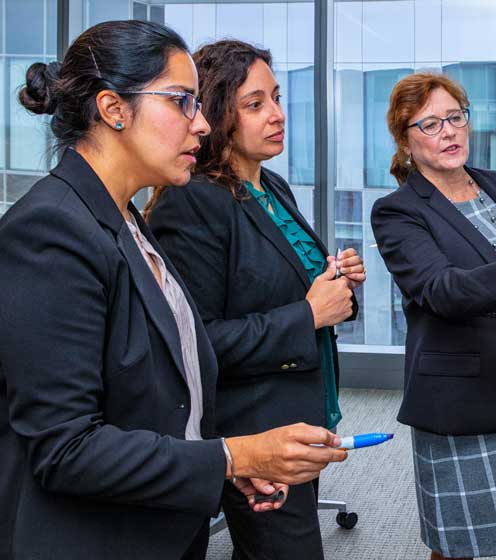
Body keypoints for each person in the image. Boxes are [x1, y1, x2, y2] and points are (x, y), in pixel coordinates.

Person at [0, 21, 346, 560]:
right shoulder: (50, 229)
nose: (203, 123)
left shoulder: (125, 217)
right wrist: (232, 457)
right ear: (114, 109)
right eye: (183, 101)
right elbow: (65, 448)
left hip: (161, 519)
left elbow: (162, 386)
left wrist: (221, 462)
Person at [145, 40, 365, 560]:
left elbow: (287, 286)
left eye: (277, 98)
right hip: (252, 428)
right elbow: (194, 342)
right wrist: (308, 312)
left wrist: (338, 284)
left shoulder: (274, 187)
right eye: (255, 104)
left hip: (303, 409)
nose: (278, 115)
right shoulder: (192, 200)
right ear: (217, 115)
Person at [371, 72, 496, 560]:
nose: (449, 132)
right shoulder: (397, 212)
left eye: (456, 117)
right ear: (405, 139)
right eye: (430, 124)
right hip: (461, 394)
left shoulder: (495, 184)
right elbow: (439, 290)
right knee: (459, 540)